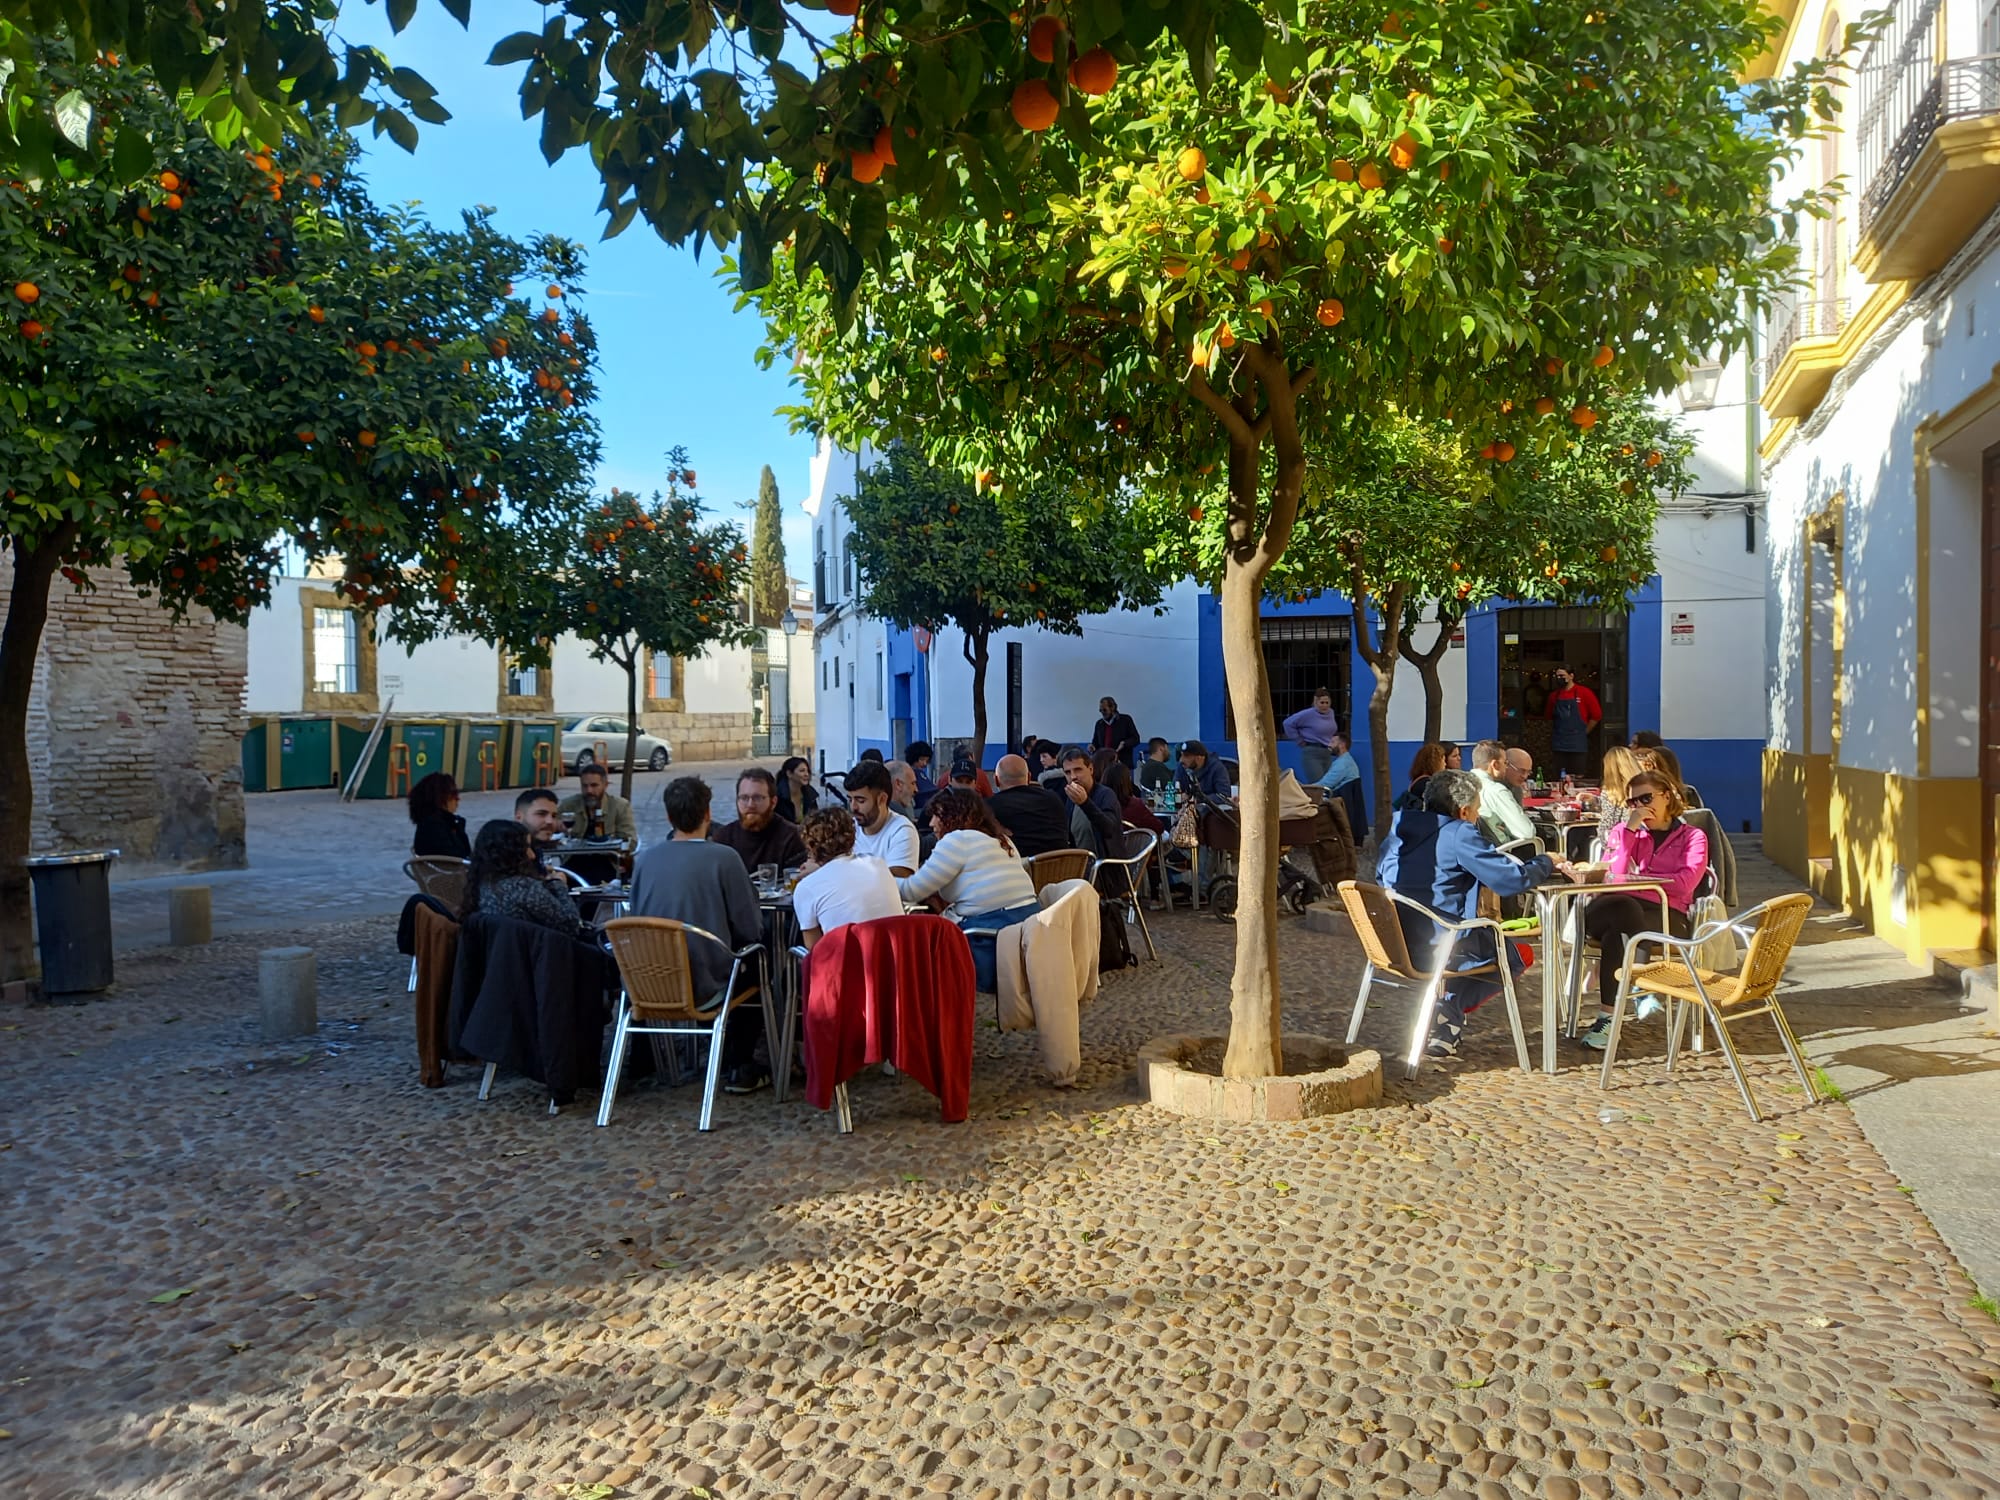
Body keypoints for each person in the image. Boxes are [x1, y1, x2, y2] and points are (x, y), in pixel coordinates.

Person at [630, 777, 768, 1092]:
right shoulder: (724, 858)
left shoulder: (645, 861)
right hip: (707, 983)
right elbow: (750, 927)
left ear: (668, 817)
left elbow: (636, 920)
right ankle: (739, 1063)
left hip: (648, 980)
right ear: (708, 813)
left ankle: (642, 1059)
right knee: (760, 962)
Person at [1427, 770, 1569, 1056]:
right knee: (1518, 955)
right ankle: (1449, 1012)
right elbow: (1510, 881)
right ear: (1464, 811)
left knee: (1469, 941)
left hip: (1397, 943)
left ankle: (1446, 1021)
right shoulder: (1459, 832)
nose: (1478, 817)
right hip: (1446, 943)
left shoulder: (1400, 828)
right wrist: (1545, 862)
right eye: (1477, 810)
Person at [1578, 770, 1710, 1051]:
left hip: (1663, 913)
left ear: (1666, 796)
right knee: (1625, 909)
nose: (1639, 806)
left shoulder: (1693, 837)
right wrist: (1629, 833)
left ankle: (1607, 1018)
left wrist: (1638, 884)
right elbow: (1613, 874)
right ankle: (1639, 985)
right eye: (1632, 802)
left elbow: (1686, 883)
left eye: (1646, 798)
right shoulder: (1624, 832)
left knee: (1622, 934)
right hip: (1611, 906)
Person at [897, 788, 1042, 992]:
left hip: (989, 941)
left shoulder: (957, 841)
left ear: (953, 816)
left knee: (913, 942)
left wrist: (877, 876)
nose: (931, 824)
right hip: (1027, 933)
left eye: (937, 816)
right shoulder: (1002, 840)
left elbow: (911, 891)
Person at [791, 807, 903, 949]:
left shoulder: (806, 887)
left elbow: (814, 949)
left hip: (848, 966)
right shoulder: (877, 864)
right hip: (895, 961)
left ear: (810, 846)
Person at [460, 819, 581, 939]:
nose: (532, 855)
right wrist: (558, 884)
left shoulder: (480, 886)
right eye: (527, 848)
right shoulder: (524, 887)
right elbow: (571, 926)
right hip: (541, 954)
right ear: (512, 853)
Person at [710, 767, 808, 875]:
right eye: (744, 798)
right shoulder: (723, 838)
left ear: (773, 802)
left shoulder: (792, 837)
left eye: (757, 798)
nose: (750, 805)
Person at [988, 754, 1075, 857]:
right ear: (1029, 777)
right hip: (1064, 868)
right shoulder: (1053, 799)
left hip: (1020, 870)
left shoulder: (990, 807)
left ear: (996, 780)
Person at [844, 758, 921, 876]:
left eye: (861, 800)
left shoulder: (902, 831)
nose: (853, 807)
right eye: (850, 799)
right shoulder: (847, 829)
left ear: (882, 799)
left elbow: (894, 883)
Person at [1470, 740, 1535, 847]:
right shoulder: (1496, 791)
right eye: (1505, 763)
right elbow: (1527, 833)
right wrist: (1508, 830)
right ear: (1495, 765)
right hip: (1503, 853)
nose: (1506, 767)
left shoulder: (1463, 783)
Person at [1061, 744, 1123, 855]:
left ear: (1090, 769)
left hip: (1105, 866)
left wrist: (1085, 803)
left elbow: (1109, 830)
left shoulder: (1105, 794)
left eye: (1078, 770)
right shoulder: (1071, 798)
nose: (1073, 777)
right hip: (1079, 864)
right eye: (1068, 772)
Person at [557, 762, 638, 844]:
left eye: (594, 785)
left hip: (608, 855)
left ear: (605, 785)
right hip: (575, 855)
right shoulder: (568, 805)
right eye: (584, 786)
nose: (589, 790)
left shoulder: (620, 806)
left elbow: (630, 841)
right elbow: (551, 832)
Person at [1544, 664, 1602, 777]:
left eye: (1562, 675)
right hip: (1559, 743)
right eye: (1557, 676)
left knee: (1577, 776)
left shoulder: (1584, 693)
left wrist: (1584, 731)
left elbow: (1597, 716)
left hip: (1577, 744)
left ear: (1571, 676)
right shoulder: (1553, 696)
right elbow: (1549, 717)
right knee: (1559, 776)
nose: (1559, 678)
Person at [1309, 729, 1366, 842]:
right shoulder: (1344, 761)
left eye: (1332, 742)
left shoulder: (1343, 763)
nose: (1329, 745)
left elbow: (1326, 784)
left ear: (1342, 745)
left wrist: (1304, 788)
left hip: (1338, 802)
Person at [1282, 687, 1343, 784]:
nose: (1324, 706)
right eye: (1322, 703)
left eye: (1327, 703)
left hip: (1327, 752)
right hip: (1312, 752)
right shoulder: (1308, 714)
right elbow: (1288, 723)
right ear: (1315, 702)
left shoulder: (1331, 713)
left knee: (1329, 783)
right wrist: (1299, 740)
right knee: (1318, 783)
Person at [409, 772, 470, 858]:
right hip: (453, 870)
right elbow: (462, 855)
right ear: (439, 798)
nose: (458, 798)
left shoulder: (425, 824)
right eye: (454, 794)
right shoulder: (438, 828)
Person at [1593, 745, 1644, 832]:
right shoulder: (1645, 787)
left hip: (1625, 840)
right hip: (1647, 838)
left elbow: (1608, 825)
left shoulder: (1611, 792)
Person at [1636, 743, 1703, 807]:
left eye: (1649, 765)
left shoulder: (1689, 793)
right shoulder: (1639, 794)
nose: (1645, 771)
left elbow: (1699, 817)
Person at [1176, 739, 1232, 805]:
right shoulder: (1182, 766)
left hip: (1211, 812)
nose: (1181, 760)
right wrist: (1179, 796)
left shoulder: (1217, 768)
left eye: (1186, 756)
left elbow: (1224, 796)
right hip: (1187, 811)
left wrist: (1198, 799)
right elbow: (1175, 788)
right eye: (1181, 755)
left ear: (1199, 758)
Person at [1398, 743, 1450, 814]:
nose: (1445, 764)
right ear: (1435, 762)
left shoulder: (1418, 781)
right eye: (1443, 760)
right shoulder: (1428, 784)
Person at [1090, 696, 1141, 767]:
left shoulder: (1125, 720)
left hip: (1122, 763)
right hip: (1104, 764)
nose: (1102, 713)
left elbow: (1136, 739)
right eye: (1100, 710)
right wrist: (1092, 746)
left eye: (1104, 710)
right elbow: (1095, 742)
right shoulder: (1099, 724)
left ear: (1112, 708)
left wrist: (1124, 743)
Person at [775, 756, 819, 825]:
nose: (806, 774)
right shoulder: (777, 796)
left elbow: (815, 820)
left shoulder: (810, 794)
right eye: (802, 771)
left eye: (807, 771)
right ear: (789, 773)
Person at [903, 740, 939, 807]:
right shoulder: (909, 773)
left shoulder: (921, 773)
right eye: (922, 760)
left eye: (927, 760)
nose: (924, 763)